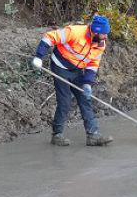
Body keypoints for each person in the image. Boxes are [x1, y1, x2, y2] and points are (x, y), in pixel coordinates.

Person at [32, 15, 113, 147]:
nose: (105, 37)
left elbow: (93, 63)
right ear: (95, 31)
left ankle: (93, 135)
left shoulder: (100, 43)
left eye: (106, 34)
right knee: (65, 102)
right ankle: (57, 135)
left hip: (77, 71)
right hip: (60, 67)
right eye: (104, 34)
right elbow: (49, 37)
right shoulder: (75, 32)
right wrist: (39, 56)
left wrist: (87, 83)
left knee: (85, 99)